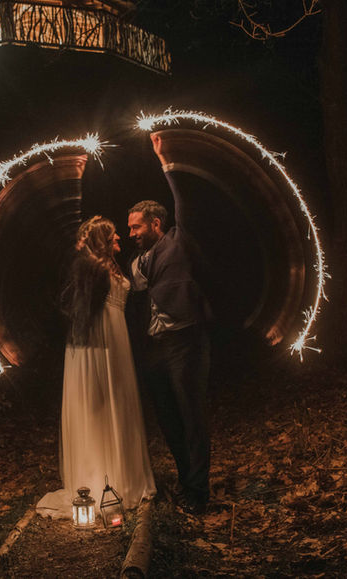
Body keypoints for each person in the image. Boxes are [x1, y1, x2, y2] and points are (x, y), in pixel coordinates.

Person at [36, 216, 156, 519]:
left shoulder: (114, 266)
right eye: (113, 237)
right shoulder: (91, 268)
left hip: (117, 339)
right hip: (100, 340)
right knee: (102, 404)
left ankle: (124, 475)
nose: (119, 240)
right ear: (103, 241)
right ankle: (100, 475)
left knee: (119, 402)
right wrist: (91, 355)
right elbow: (81, 310)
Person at [127, 200, 212, 514]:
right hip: (154, 347)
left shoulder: (176, 242)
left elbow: (186, 205)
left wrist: (168, 162)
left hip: (185, 340)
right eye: (130, 228)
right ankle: (185, 478)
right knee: (167, 418)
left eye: (137, 226)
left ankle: (199, 492)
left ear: (156, 224)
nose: (132, 233)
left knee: (192, 416)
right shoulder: (136, 261)